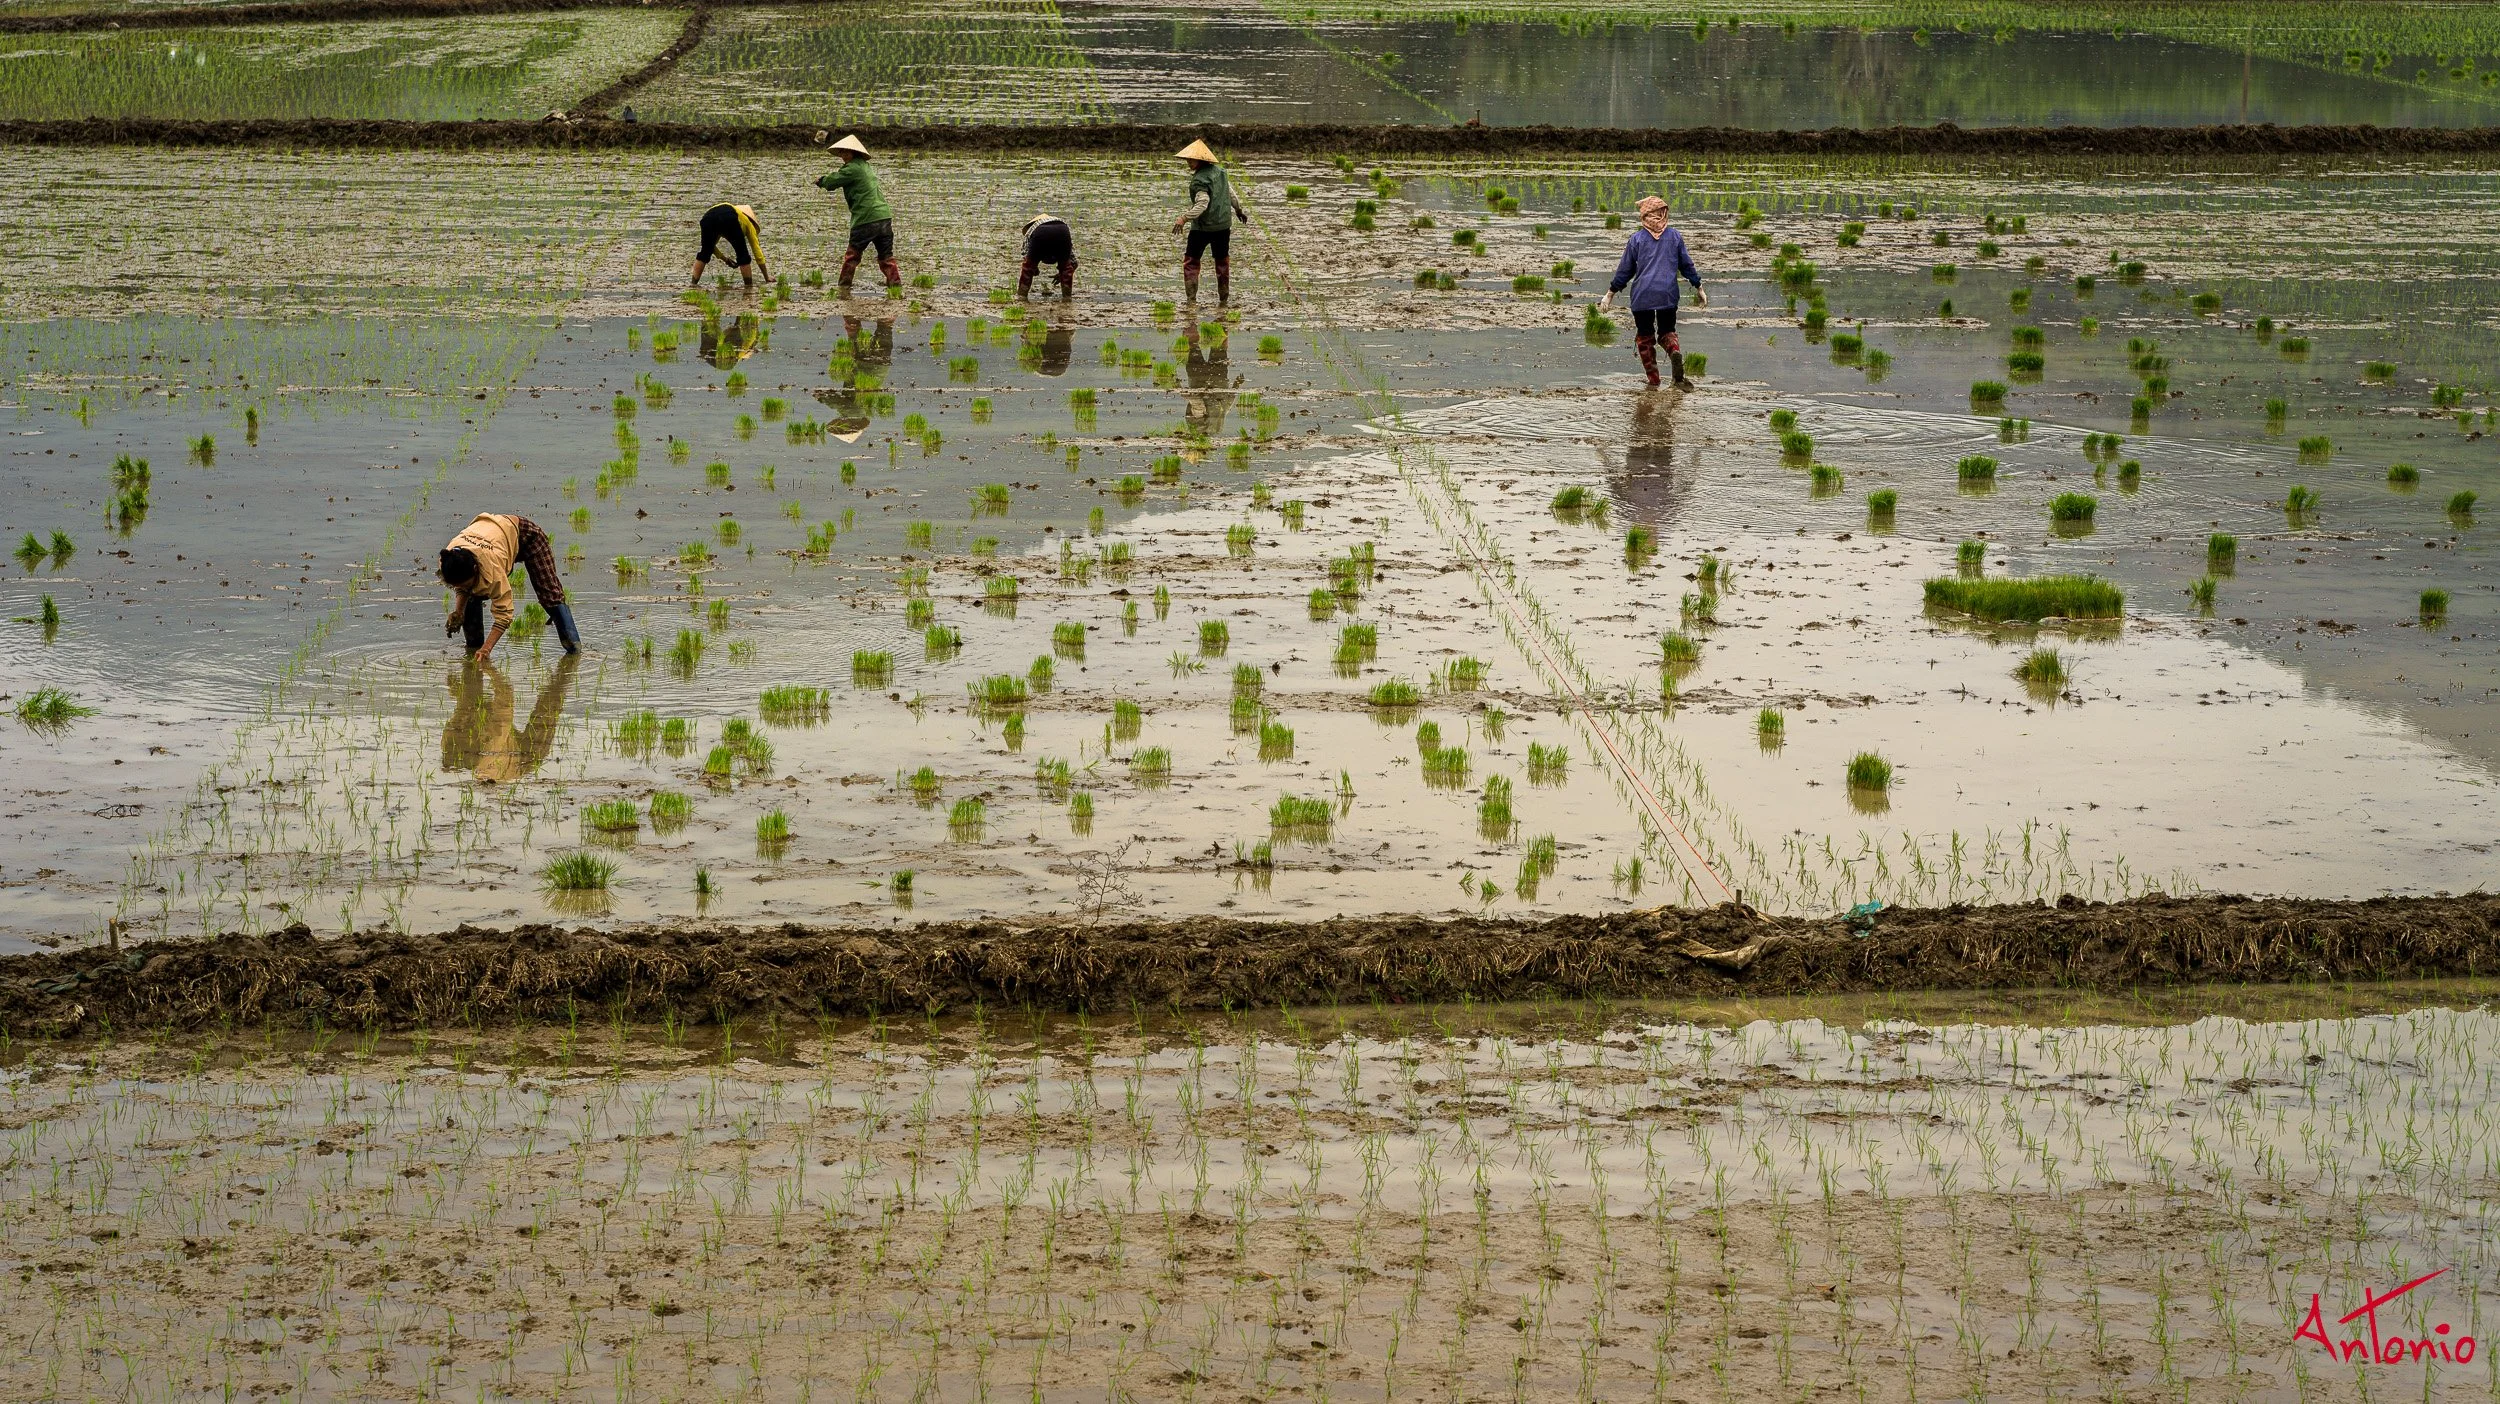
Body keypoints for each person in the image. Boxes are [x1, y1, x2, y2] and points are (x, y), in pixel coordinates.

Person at [440, 511, 579, 659]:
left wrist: (487, 649)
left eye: (466, 583)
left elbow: (504, 616)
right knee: (474, 593)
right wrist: (459, 612)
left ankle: (574, 650)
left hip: (526, 537)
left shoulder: (492, 569)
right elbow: (462, 587)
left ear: (476, 569)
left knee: (550, 595)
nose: (464, 587)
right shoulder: (448, 559)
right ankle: (474, 649)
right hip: (496, 540)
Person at [1600, 195, 1705, 390]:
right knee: (1667, 331)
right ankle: (1674, 351)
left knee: (1645, 336)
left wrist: (1610, 292)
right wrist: (1698, 286)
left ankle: (1654, 380)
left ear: (1645, 216)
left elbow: (1626, 270)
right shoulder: (1675, 237)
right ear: (1663, 214)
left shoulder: (1637, 240)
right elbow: (1686, 265)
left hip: (1643, 296)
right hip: (1667, 294)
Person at [442, 653, 578, 784]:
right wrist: (487, 670)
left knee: (549, 703)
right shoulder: (465, 739)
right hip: (524, 760)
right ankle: (568, 672)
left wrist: (487, 669)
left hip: (523, 755)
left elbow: (503, 694)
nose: (459, 723)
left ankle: (568, 670)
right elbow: (503, 695)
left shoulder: (478, 740)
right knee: (553, 699)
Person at [816, 133, 900, 295]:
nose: (842, 156)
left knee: (852, 256)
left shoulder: (852, 169)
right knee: (886, 258)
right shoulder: (865, 167)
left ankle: (844, 288)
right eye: (841, 152)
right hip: (883, 218)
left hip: (866, 219)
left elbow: (833, 181)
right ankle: (895, 287)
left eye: (845, 152)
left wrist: (822, 181)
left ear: (853, 153)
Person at [1169, 139, 1249, 304]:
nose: (1188, 162)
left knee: (1191, 261)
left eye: (1192, 159)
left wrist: (1184, 218)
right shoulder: (1220, 172)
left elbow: (1202, 204)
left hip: (1202, 228)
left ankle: (1191, 300)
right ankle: (1224, 300)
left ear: (1202, 160)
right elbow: (1230, 193)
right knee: (1222, 261)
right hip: (1223, 227)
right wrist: (1239, 210)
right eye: (1188, 159)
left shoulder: (1200, 180)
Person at [690, 203, 770, 290]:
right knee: (743, 255)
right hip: (730, 218)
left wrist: (725, 259)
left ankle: (693, 285)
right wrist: (767, 277)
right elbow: (757, 251)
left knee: (705, 253)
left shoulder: (726, 209)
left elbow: (711, 246)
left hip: (707, 218)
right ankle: (748, 288)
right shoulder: (747, 221)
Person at [1018, 213, 1077, 299]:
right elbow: (1073, 260)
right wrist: (1064, 274)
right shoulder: (1060, 223)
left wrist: (1033, 268)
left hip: (1040, 233)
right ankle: (1067, 297)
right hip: (1063, 231)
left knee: (1028, 268)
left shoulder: (1033, 227)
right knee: (1066, 267)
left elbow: (1025, 253)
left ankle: (1021, 296)